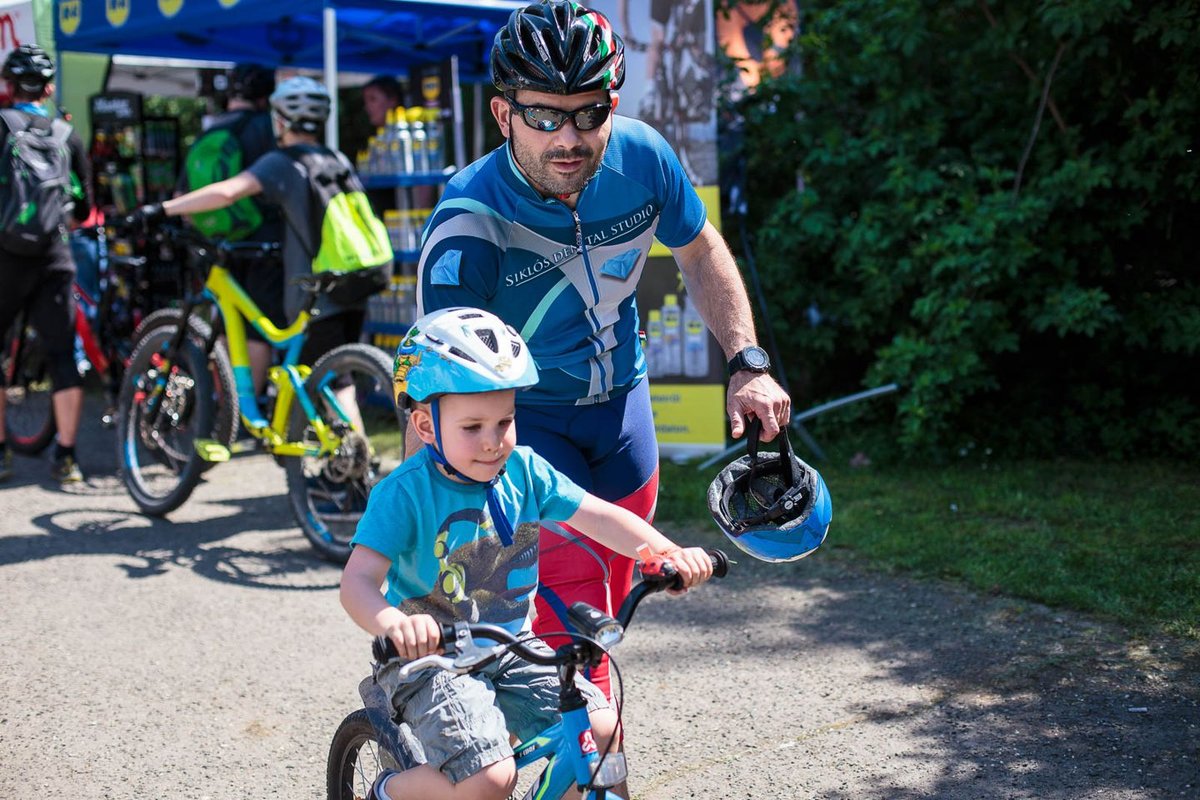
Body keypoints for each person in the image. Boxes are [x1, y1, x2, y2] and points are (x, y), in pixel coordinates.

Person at [415, 0, 790, 699]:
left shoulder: (643, 158)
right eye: (544, 116)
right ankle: (590, 755)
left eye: (588, 113)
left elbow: (701, 250)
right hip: (528, 421)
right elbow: (437, 386)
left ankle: (560, 737)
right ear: (504, 116)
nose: (569, 136)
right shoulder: (470, 222)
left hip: (624, 411)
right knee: (573, 621)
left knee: (612, 602)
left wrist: (747, 361)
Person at [341, 306, 714, 800]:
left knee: (600, 730)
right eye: (472, 427)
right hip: (429, 661)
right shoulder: (404, 494)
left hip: (512, 646)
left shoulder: (525, 471)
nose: (494, 442)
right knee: (491, 779)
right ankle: (386, 792)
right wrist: (395, 624)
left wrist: (665, 553)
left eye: (506, 420)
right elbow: (357, 583)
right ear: (425, 426)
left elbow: (599, 516)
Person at [130, 76, 374, 373]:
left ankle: (246, 414)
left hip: (313, 288)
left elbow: (227, 192)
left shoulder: (282, 162)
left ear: (281, 120)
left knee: (334, 386)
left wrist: (162, 209)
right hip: (353, 278)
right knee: (333, 379)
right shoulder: (337, 158)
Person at [0, 44, 92, 484]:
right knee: (61, 355)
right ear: (49, 87)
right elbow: (84, 206)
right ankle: (68, 458)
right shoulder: (66, 134)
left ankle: (1, 455)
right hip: (55, 256)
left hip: (5, 255)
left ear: (8, 86)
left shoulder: (1, 125)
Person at [179, 63, 282, 392]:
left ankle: (230, 409)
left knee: (227, 324)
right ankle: (250, 412)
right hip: (266, 242)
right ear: (267, 96)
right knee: (258, 327)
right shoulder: (270, 128)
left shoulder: (210, 130)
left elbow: (183, 198)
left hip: (220, 244)